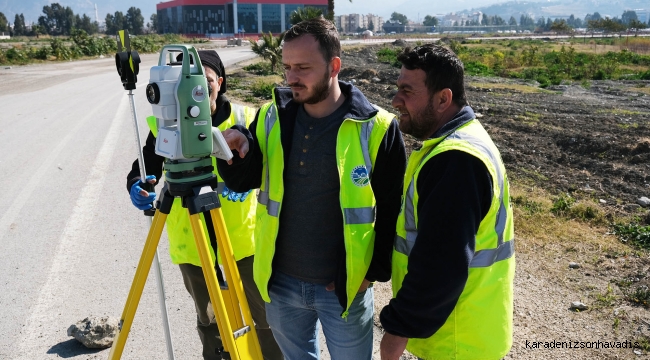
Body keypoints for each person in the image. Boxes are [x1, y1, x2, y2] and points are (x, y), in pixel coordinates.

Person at [216, 17, 406, 360]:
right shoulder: (273, 116)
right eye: (287, 66)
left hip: (344, 290)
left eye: (303, 67)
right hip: (280, 283)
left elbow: (393, 211)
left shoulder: (377, 127)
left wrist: (370, 276)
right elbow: (244, 181)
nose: (291, 77)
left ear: (334, 66)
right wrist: (234, 153)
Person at [126, 49, 283, 360]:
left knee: (265, 318)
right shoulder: (165, 126)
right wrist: (137, 182)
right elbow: (146, 165)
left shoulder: (245, 119)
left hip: (244, 244)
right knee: (209, 319)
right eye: (184, 83)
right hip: (193, 248)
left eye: (204, 82)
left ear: (219, 82)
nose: (194, 90)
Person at [379, 44, 515, 360]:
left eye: (406, 91)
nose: (396, 100)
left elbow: (441, 263)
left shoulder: (455, 161)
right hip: (469, 331)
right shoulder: (465, 140)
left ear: (443, 99)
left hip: (456, 340)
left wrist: (397, 330)